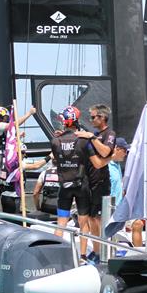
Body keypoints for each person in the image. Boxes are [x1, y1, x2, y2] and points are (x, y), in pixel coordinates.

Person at [50, 105, 103, 262]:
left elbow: (55, 158)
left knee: (61, 223)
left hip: (64, 186)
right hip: (81, 186)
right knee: (83, 222)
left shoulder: (55, 141)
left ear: (64, 122)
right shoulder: (83, 141)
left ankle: (55, 256)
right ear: (76, 121)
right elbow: (96, 163)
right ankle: (82, 256)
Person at [75, 104, 116, 261]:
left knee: (98, 219)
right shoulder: (96, 134)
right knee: (91, 219)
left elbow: (106, 151)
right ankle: (97, 252)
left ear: (102, 117)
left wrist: (91, 137)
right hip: (89, 182)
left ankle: (102, 253)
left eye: (93, 117)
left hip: (101, 182)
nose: (91, 119)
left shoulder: (109, 134)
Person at [0, 105, 36, 210]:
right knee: (6, 183)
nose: (7, 119)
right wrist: (29, 113)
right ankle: (10, 209)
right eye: (6, 117)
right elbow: (13, 125)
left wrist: (18, 137)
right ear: (1, 116)